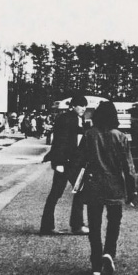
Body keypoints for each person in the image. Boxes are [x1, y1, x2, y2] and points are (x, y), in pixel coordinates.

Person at [75, 100, 136, 275]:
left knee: (94, 224)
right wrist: (131, 191)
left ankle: (95, 263)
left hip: (94, 184)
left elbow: (79, 162)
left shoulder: (89, 135)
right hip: (115, 185)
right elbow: (129, 167)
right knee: (114, 222)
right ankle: (109, 252)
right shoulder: (121, 136)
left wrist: (78, 185)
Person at [40, 94, 90, 236]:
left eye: (85, 106)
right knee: (60, 193)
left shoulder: (78, 118)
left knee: (75, 191)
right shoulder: (66, 119)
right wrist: (59, 162)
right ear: (73, 106)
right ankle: (74, 225)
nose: (83, 108)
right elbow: (60, 142)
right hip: (65, 162)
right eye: (80, 105)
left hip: (74, 163)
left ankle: (51, 226)